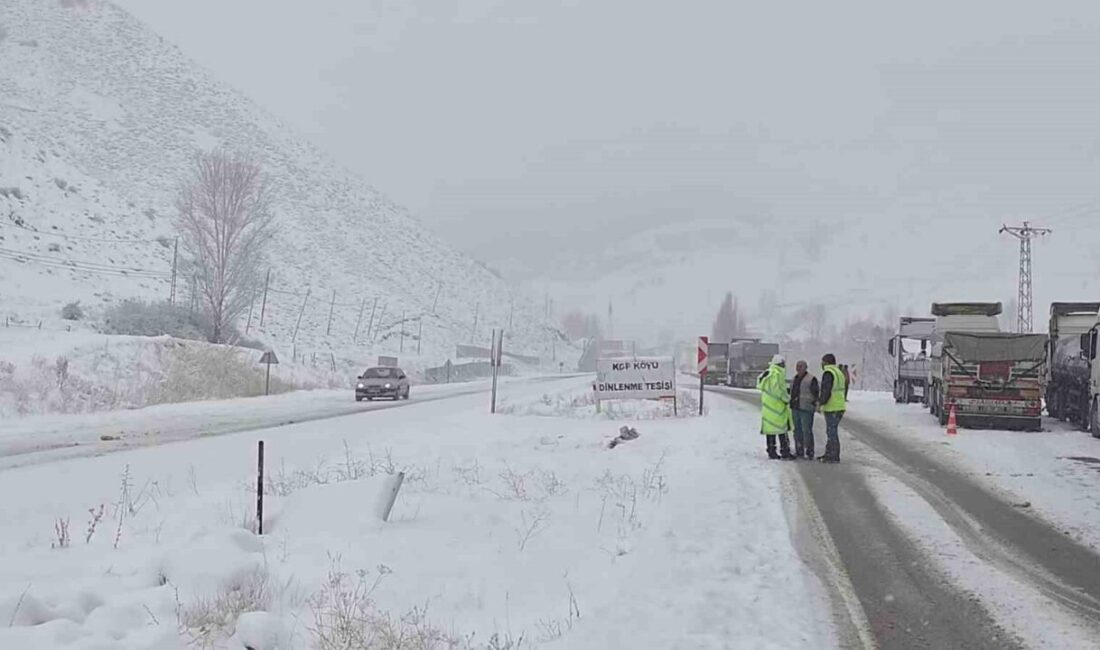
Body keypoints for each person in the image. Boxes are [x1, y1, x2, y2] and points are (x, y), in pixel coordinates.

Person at [757, 354, 795, 460]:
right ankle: (785, 451)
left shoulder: (767, 373)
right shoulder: (778, 374)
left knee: (770, 431)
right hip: (778, 407)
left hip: (767, 407)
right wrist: (787, 399)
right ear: (780, 363)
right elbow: (779, 390)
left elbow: (759, 384)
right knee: (782, 430)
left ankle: (771, 450)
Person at [818, 353, 848, 463]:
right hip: (840, 406)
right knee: (832, 431)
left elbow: (826, 390)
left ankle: (833, 455)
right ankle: (830, 453)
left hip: (832, 406)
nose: (821, 364)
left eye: (822, 361)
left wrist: (820, 402)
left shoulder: (828, 373)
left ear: (826, 362)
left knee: (831, 432)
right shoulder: (839, 372)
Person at [789, 360, 819, 459]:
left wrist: (815, 403)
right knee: (797, 430)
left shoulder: (811, 379)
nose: (798, 368)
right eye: (797, 366)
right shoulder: (794, 379)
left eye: (801, 366)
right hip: (795, 407)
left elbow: (816, 393)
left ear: (806, 368)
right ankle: (799, 450)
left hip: (806, 408)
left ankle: (810, 451)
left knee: (806, 430)